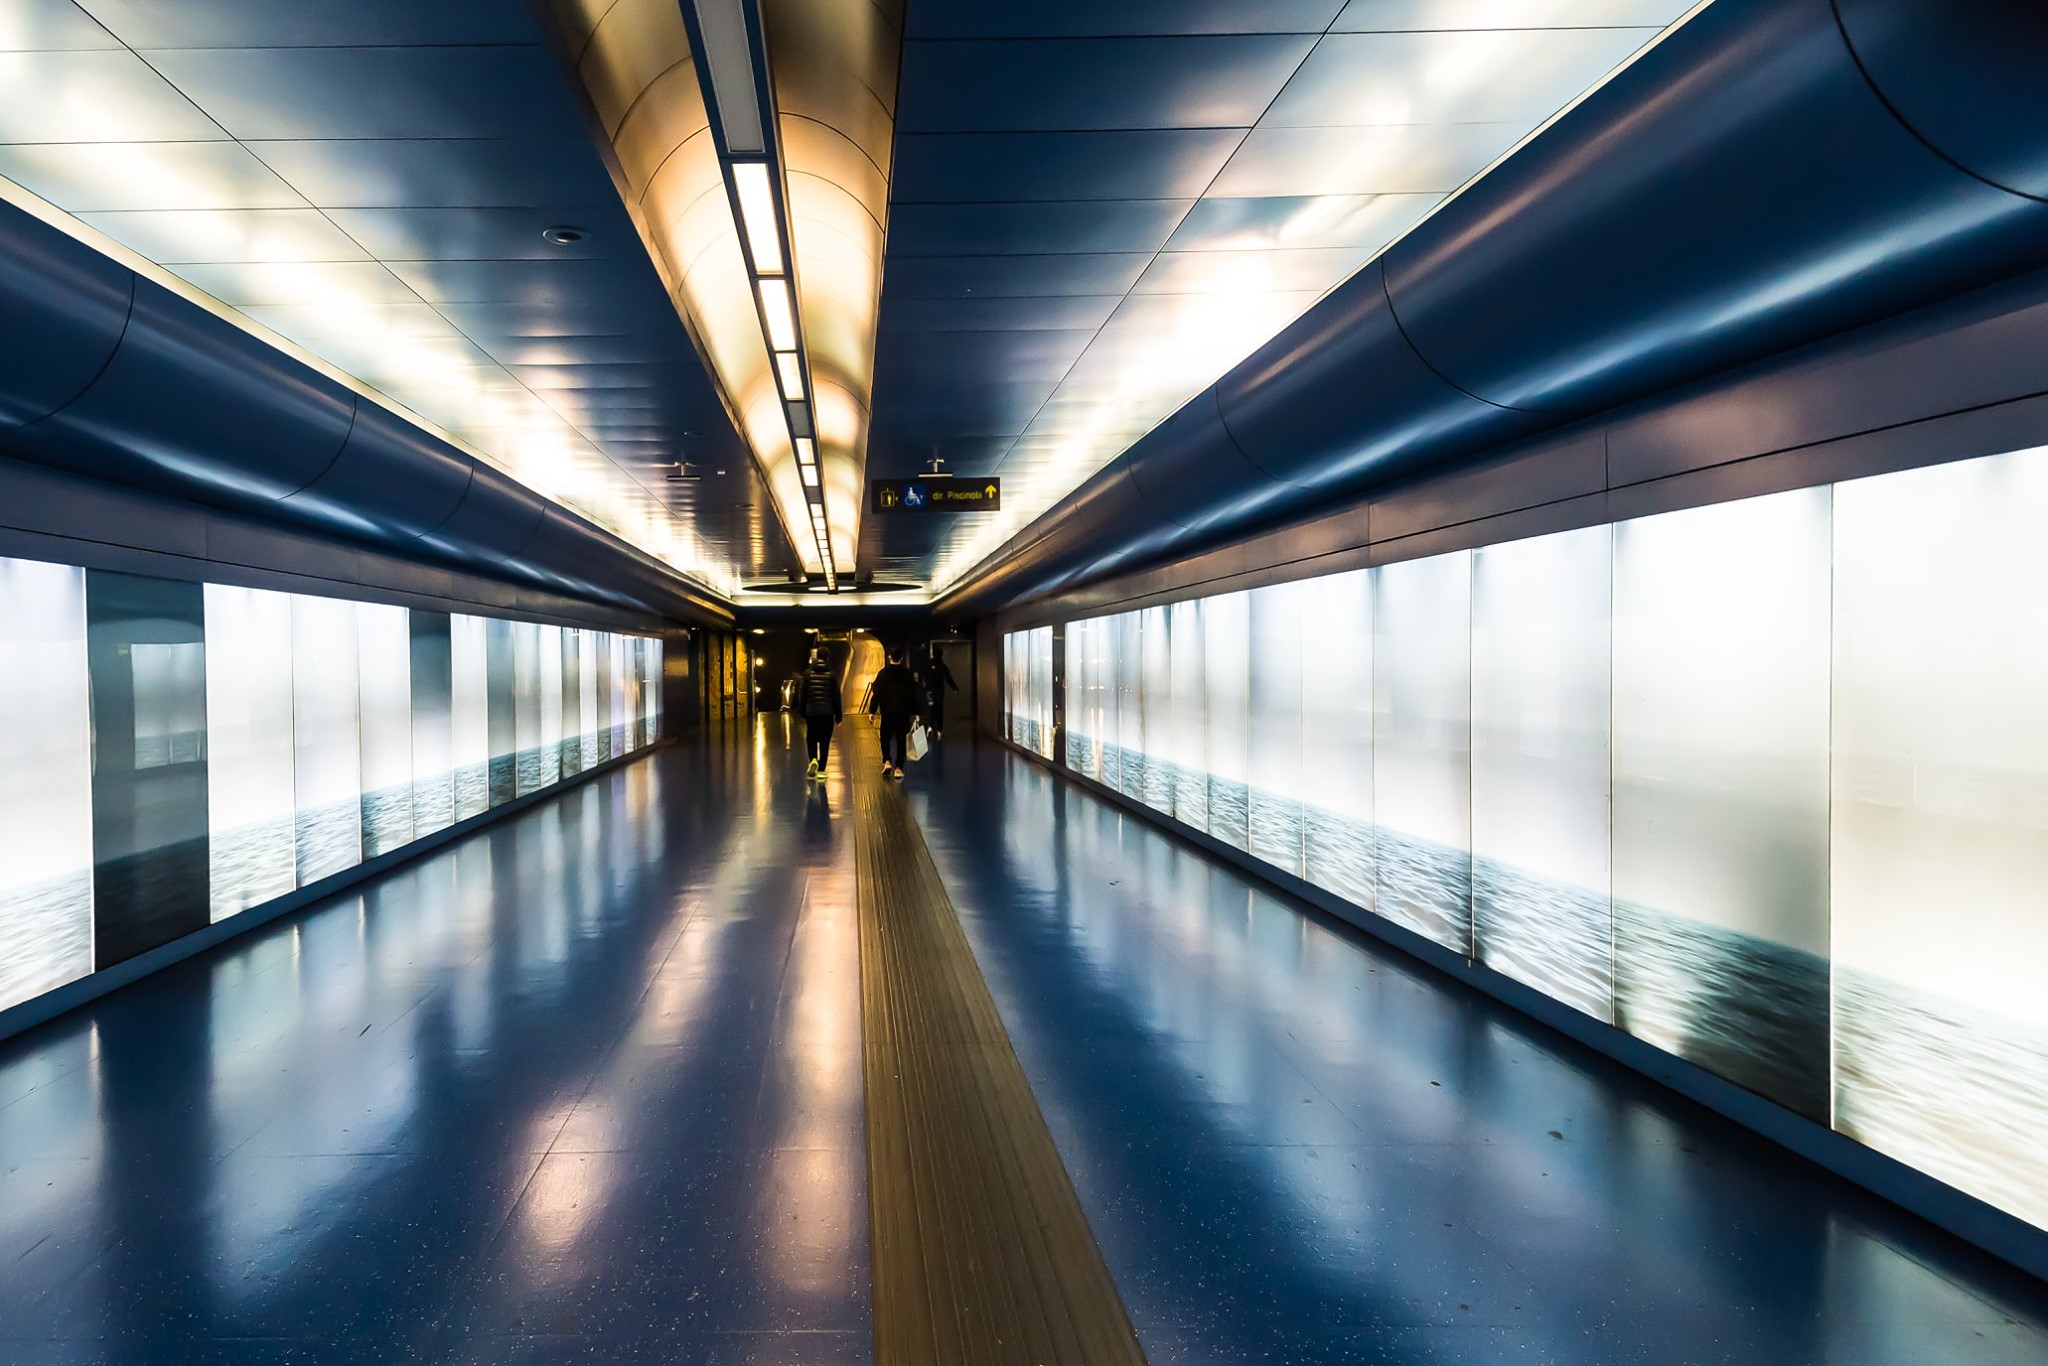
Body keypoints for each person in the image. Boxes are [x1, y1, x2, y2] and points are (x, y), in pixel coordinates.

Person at [868, 646, 920, 779]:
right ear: (901, 658)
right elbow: (913, 694)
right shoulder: (907, 674)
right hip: (903, 712)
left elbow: (877, 693)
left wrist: (872, 711)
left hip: (887, 712)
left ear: (889, 657)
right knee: (901, 740)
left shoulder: (883, 673)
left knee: (885, 737)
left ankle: (887, 760)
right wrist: (916, 711)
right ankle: (898, 768)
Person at [796, 649, 840, 779]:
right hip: (827, 712)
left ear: (816, 657)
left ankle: (813, 759)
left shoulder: (807, 674)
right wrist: (839, 715)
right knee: (825, 741)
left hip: (812, 712)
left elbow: (802, 694)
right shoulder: (832, 675)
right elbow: (836, 696)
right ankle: (821, 770)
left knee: (811, 738)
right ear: (828, 658)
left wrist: (802, 711)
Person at [915, 644, 960, 739]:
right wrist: (955, 688)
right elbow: (948, 678)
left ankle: (930, 727)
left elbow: (921, 676)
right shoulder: (942, 666)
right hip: (939, 690)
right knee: (939, 709)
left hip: (929, 690)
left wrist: (921, 686)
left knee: (930, 709)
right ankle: (939, 729)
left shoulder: (927, 664)